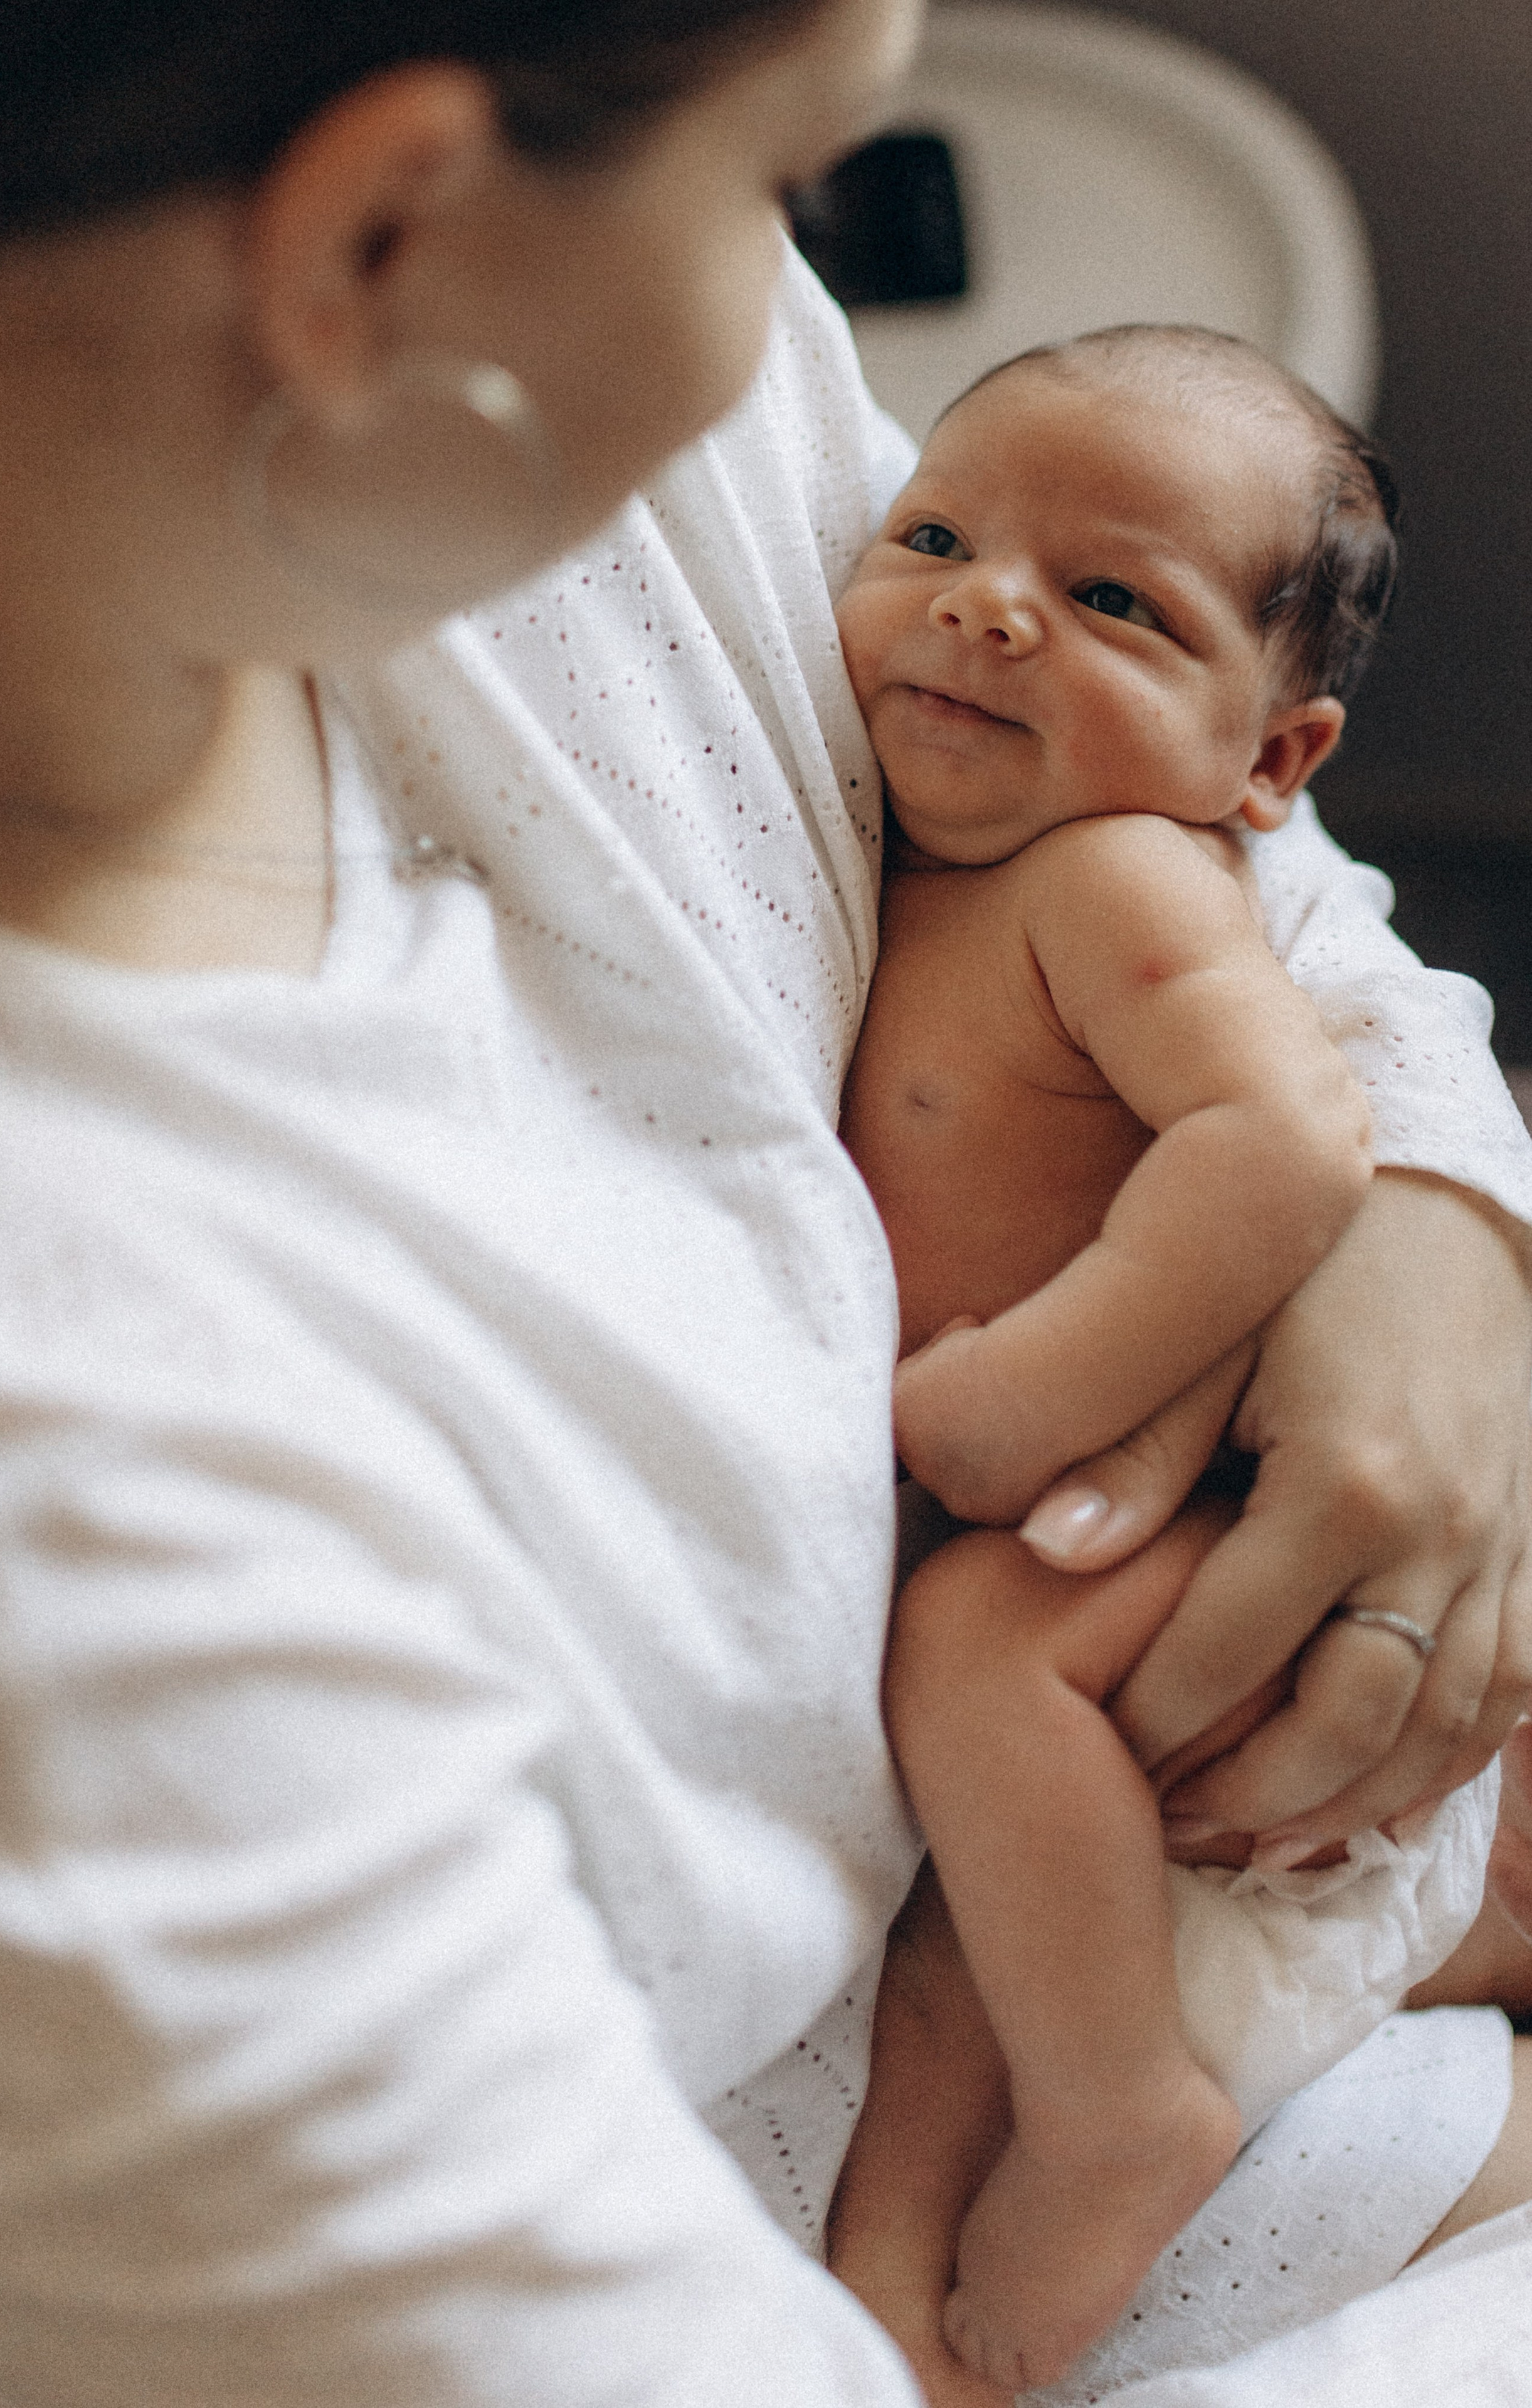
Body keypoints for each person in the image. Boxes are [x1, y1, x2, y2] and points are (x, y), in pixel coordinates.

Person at [0, 8, 1531, 2407]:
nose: (808, 318)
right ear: (381, 237)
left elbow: (1234, 855)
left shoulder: (562, 478)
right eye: (791, 176)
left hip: (1190, 1810)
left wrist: (1439, 1229)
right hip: (953, 2155)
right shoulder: (59, 1515)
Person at [831, 327, 1501, 2396]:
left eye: (1113, 600)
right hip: (1084, 1548)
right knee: (962, 1942)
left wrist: (1025, 1391)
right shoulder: (925, 846)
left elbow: (1284, 1141)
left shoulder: (1115, 872)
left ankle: (1127, 2116)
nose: (987, 600)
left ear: (1269, 765)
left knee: (974, 1669)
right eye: (934, 531)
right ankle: (888, 2291)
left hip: (1164, 1518)